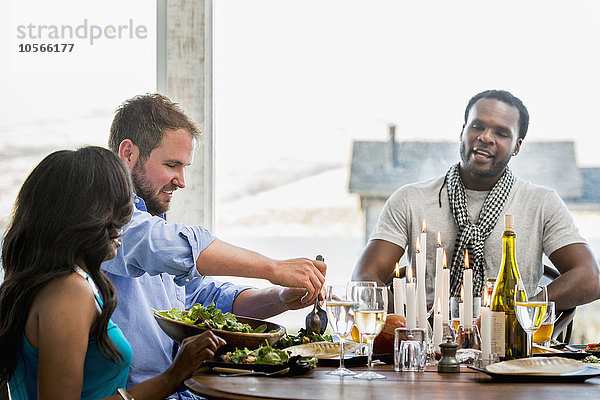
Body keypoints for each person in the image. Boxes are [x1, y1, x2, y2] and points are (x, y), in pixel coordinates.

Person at [102, 93, 327, 397]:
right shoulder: (106, 219)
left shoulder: (152, 221)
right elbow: (162, 245)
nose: (182, 181)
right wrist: (272, 268)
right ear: (128, 153)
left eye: (185, 167)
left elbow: (206, 300)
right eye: (171, 165)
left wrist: (282, 297)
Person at [0, 146, 226, 400]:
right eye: (117, 209)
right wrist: (172, 377)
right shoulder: (68, 292)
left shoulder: (32, 284)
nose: (125, 221)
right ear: (81, 215)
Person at [352, 89, 600, 313]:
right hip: (426, 349)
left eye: (501, 133)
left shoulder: (541, 203)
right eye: (477, 126)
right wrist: (410, 319)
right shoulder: (410, 199)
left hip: (510, 350)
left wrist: (521, 312)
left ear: (517, 146)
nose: (486, 137)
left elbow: (590, 278)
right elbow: (365, 276)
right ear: (462, 131)